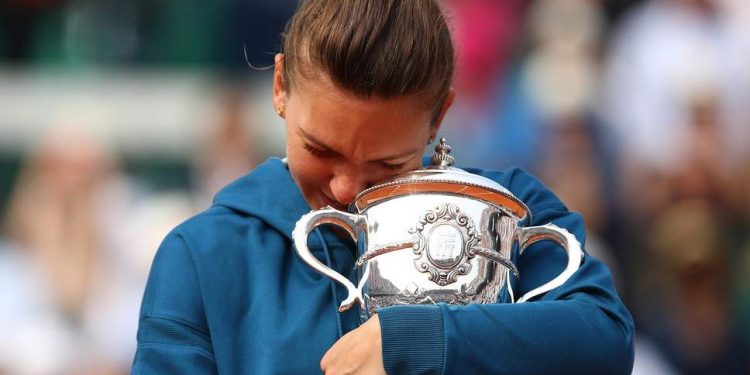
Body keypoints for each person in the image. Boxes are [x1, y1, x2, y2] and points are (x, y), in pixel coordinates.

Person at [131, 0, 634, 373]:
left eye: (386, 165)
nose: (347, 187)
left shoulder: (509, 209)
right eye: (321, 150)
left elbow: (605, 339)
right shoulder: (202, 255)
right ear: (280, 85)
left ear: (439, 116)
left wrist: (424, 340)